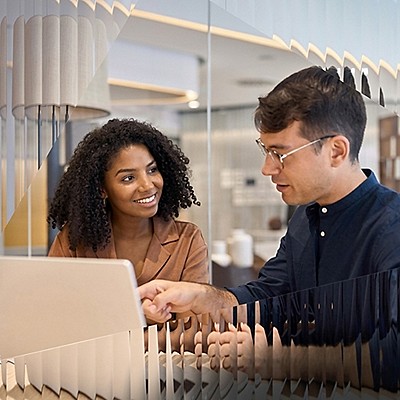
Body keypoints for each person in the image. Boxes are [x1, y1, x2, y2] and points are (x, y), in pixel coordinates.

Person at [138, 65, 400, 324]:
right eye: (266, 152)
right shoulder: (305, 219)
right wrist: (199, 296)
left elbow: (389, 351)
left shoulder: (391, 228)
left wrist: (282, 357)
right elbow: (268, 299)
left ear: (336, 151)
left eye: (280, 154)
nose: (267, 168)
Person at [47, 118, 209, 308]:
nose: (148, 185)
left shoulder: (187, 240)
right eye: (128, 178)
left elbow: (193, 330)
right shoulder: (73, 242)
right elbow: (57, 313)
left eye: (152, 170)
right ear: (102, 189)